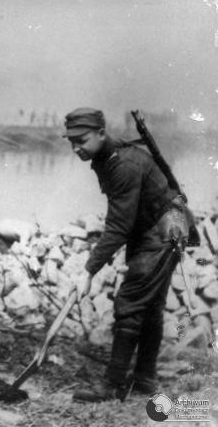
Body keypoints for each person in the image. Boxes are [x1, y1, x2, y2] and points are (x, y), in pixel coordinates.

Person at [64, 108, 192, 403]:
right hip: (154, 226)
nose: (75, 148)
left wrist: (88, 270)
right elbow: (125, 220)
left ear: (100, 133)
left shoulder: (123, 164)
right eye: (70, 142)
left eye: (81, 140)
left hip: (165, 228)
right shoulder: (104, 155)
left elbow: (118, 225)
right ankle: (145, 379)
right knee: (150, 305)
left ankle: (112, 385)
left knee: (131, 301)